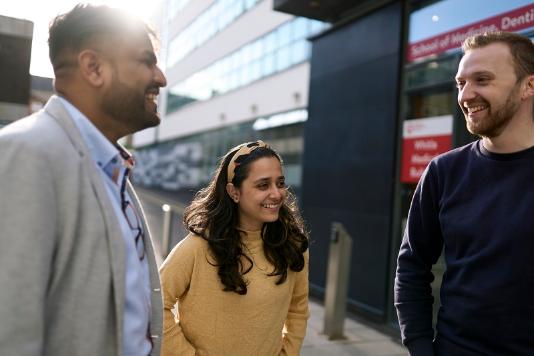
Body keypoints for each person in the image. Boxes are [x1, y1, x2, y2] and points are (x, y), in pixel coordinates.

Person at [0, 4, 167, 356]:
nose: (160, 78)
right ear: (93, 68)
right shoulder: (27, 153)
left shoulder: (111, 169)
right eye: (145, 61)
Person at [395, 31, 534, 356]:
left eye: (482, 80)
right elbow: (412, 267)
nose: (466, 95)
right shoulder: (443, 172)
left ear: (529, 85)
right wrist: (419, 347)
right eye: (460, 83)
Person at [160, 140, 309, 356]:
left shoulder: (293, 244)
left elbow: (298, 309)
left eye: (280, 183)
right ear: (234, 192)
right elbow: (154, 303)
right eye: (263, 185)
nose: (277, 194)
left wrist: (288, 352)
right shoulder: (197, 247)